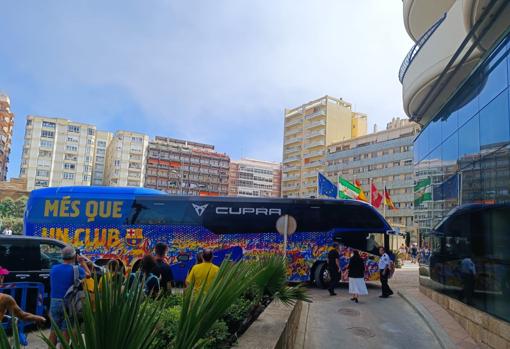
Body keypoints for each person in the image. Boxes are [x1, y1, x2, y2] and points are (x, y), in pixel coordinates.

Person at [48, 246, 90, 347]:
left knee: (54, 329)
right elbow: (89, 274)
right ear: (75, 256)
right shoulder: (77, 269)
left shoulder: (54, 268)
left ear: (62, 257)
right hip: (68, 303)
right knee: (65, 331)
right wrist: (82, 263)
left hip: (54, 302)